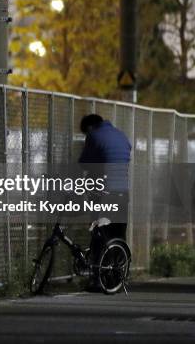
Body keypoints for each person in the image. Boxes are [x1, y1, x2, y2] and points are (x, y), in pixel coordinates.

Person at [78, 114, 131, 290]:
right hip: (122, 191)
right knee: (118, 234)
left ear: (90, 128)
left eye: (85, 134)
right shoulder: (122, 135)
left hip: (104, 193)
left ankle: (97, 280)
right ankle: (118, 277)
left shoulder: (94, 136)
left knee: (100, 234)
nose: (86, 137)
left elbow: (84, 163)